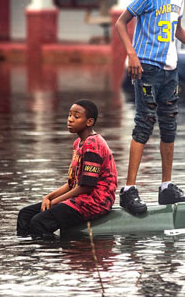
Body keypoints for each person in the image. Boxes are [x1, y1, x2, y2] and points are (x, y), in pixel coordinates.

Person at [114, 0, 185, 214]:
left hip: (170, 68)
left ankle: (166, 187)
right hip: (147, 66)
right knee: (144, 123)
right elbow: (121, 23)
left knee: (169, 126)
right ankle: (129, 190)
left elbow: (176, 27)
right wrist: (131, 54)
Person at [16, 99, 117, 237]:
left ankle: (55, 254)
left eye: (76, 116)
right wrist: (48, 197)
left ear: (89, 122)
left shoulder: (93, 145)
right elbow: (72, 183)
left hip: (95, 201)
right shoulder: (78, 144)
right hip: (81, 197)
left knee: (38, 223)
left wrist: (54, 202)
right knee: (25, 214)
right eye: (69, 115)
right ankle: (27, 254)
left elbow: (86, 186)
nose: (70, 119)